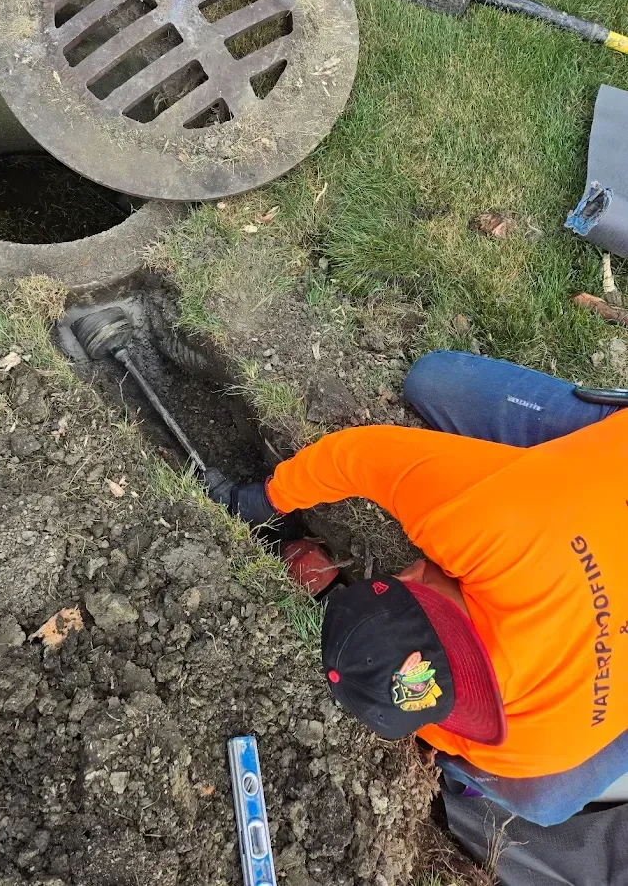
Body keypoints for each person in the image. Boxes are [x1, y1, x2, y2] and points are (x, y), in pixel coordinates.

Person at [226, 351, 628, 825]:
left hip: (574, 507)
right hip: (579, 501)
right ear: (412, 580)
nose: (410, 568)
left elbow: (362, 455)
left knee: (545, 802)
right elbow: (357, 456)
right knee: (434, 380)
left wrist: (269, 500)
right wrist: (267, 499)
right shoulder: (490, 524)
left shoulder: (525, 746)